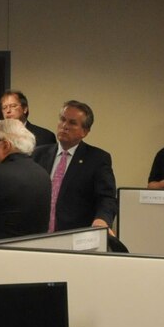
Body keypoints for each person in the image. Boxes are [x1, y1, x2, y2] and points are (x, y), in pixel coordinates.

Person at [32, 101, 117, 238]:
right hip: (36, 235)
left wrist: (102, 220)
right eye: (62, 120)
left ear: (85, 131)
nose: (65, 126)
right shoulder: (38, 154)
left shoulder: (97, 159)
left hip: (75, 236)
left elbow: (106, 198)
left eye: (72, 123)